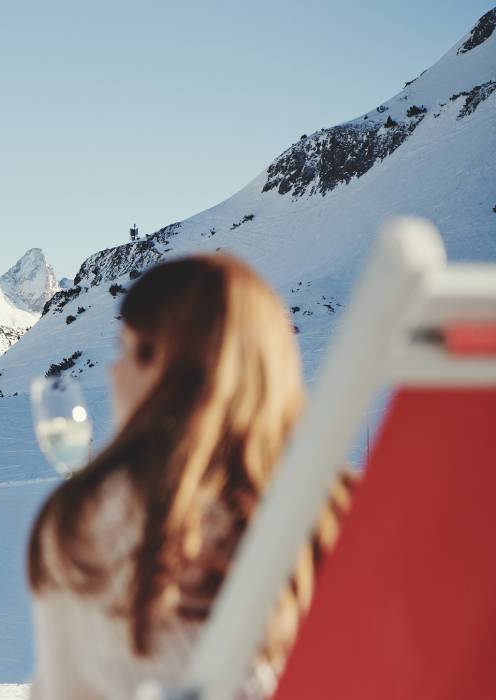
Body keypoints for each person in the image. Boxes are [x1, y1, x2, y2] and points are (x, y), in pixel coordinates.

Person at [26, 255, 352, 699]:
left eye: (129, 350)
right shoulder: (339, 510)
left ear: (167, 367)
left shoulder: (91, 523)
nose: (114, 370)